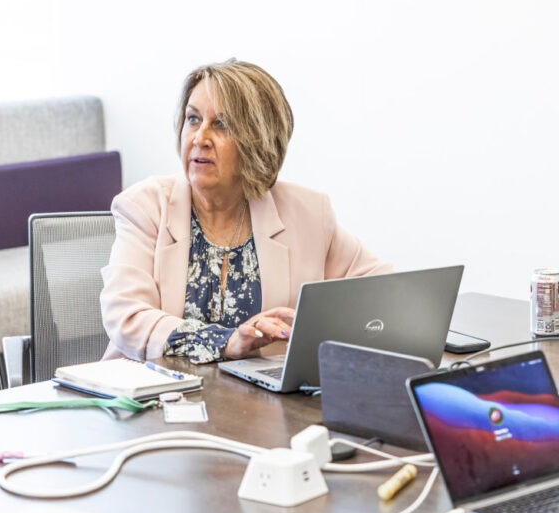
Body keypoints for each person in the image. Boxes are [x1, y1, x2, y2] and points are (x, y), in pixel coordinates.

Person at [100, 59, 391, 364]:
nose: (200, 138)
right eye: (193, 119)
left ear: (258, 140)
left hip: (257, 403)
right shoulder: (145, 206)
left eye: (221, 125)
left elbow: (382, 292)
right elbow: (127, 316)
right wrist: (225, 342)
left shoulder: (307, 213)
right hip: (152, 396)